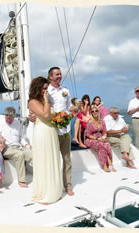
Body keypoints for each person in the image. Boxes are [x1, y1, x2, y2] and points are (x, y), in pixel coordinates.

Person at [28, 76, 62, 204]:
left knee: (53, 160)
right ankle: (46, 193)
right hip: (42, 133)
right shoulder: (33, 101)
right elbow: (46, 115)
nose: (46, 91)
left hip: (51, 132)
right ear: (38, 88)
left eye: (47, 88)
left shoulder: (46, 100)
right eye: (44, 88)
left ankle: (55, 190)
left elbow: (52, 115)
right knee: (45, 161)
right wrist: (47, 100)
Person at [47, 67, 77, 196]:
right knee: (53, 159)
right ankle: (54, 186)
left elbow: (68, 107)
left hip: (66, 128)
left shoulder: (65, 91)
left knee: (67, 158)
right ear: (50, 77)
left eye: (60, 74)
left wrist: (75, 108)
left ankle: (68, 185)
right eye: (56, 74)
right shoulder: (46, 91)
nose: (59, 76)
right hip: (52, 128)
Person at [0, 107, 33, 188]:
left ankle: (41, 176)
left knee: (32, 154)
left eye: (10, 119)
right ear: (5, 116)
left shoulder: (17, 122)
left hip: (18, 146)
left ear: (14, 116)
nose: (8, 120)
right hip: (6, 147)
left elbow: (22, 137)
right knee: (19, 154)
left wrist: (26, 145)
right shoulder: (0, 122)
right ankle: (22, 180)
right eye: (7, 118)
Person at [84, 106, 116, 172]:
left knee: (105, 145)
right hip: (91, 139)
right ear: (91, 113)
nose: (94, 112)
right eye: (92, 111)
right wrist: (98, 138)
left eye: (96, 111)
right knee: (101, 144)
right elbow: (88, 134)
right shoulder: (89, 123)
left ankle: (106, 165)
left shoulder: (102, 121)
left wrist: (103, 138)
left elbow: (104, 132)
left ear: (98, 112)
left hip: (101, 139)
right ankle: (109, 164)